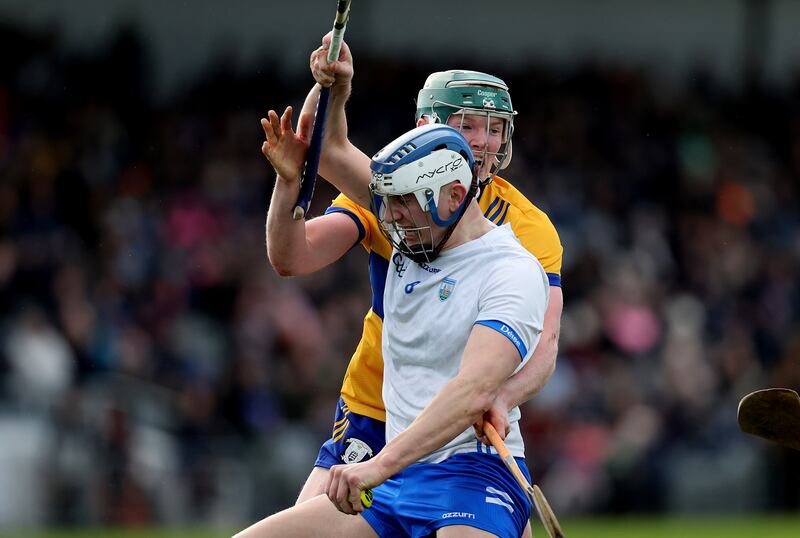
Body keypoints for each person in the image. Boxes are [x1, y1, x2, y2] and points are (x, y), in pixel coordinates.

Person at [267, 36, 564, 522]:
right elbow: (325, 164)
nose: (482, 141)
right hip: (375, 409)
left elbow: (545, 344)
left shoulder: (529, 229)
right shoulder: (398, 193)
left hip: (457, 420)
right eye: (467, 125)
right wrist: (334, 88)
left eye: (494, 128)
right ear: (427, 127)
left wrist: (502, 395)